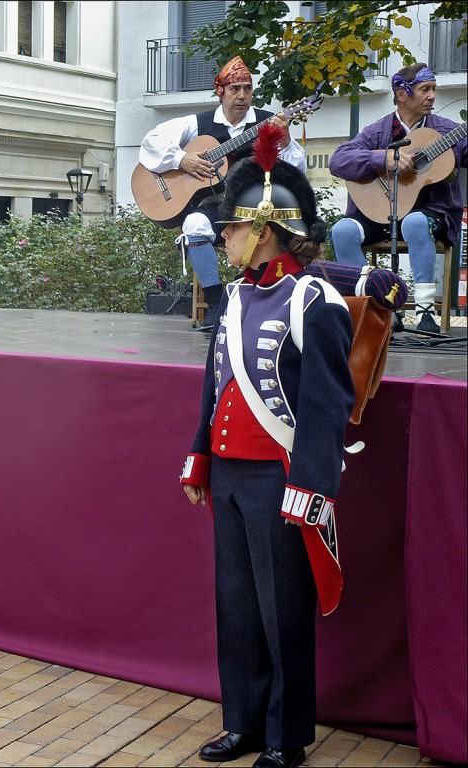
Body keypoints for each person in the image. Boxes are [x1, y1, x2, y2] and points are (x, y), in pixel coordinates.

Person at [180, 125, 357, 768]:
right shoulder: (232, 301)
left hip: (281, 481)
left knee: (282, 613)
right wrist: (199, 456)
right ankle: (244, 722)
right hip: (229, 477)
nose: (220, 237)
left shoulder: (316, 300)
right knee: (237, 606)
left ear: (264, 229)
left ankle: (285, 737)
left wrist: (309, 490)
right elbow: (215, 386)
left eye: (229, 228)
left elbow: (326, 406)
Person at [138, 56, 307, 329]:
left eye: (247, 89)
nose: (242, 95)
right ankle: (216, 301)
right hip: (214, 207)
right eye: (235, 89)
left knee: (270, 232)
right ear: (221, 92)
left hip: (254, 208)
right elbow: (151, 141)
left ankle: (265, 302)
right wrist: (181, 159)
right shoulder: (199, 123)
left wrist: (285, 141)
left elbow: (297, 170)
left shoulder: (269, 122)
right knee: (193, 224)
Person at [329, 62, 467, 334]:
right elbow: (338, 160)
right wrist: (384, 158)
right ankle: (372, 307)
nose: (432, 96)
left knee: (415, 222)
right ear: (402, 94)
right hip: (379, 213)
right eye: (425, 89)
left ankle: (425, 312)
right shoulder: (378, 132)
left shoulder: (446, 131)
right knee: (342, 229)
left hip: (431, 214)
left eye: (433, 89)